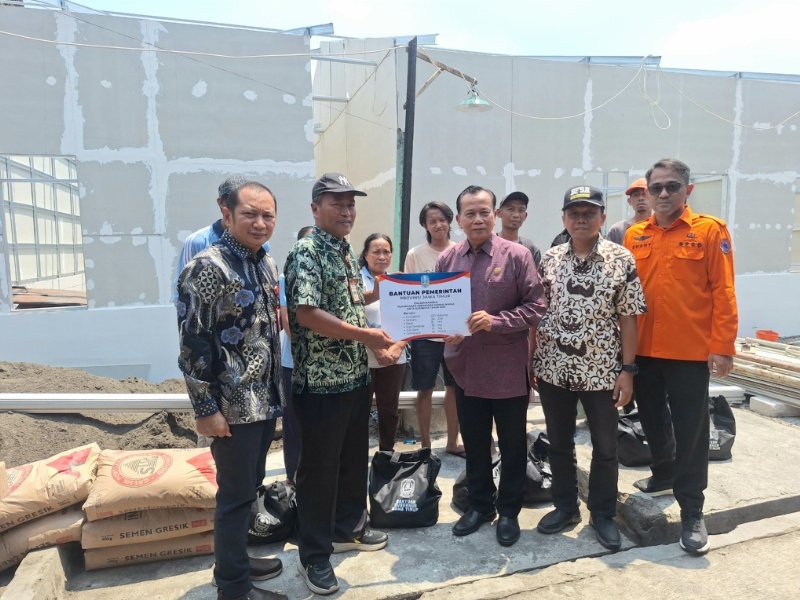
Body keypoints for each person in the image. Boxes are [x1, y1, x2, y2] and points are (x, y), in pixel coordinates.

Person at [284, 173, 393, 596]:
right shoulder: (307, 251)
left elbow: (344, 302)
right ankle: (314, 554)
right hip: (321, 384)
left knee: (351, 461)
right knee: (318, 471)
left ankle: (348, 527)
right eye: (337, 203)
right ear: (315, 208)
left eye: (351, 204)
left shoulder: (345, 250)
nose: (347, 211)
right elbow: (307, 312)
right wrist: (368, 336)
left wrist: (381, 293)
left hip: (354, 378)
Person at [177, 181, 286, 600]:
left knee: (250, 488)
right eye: (250, 214)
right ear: (227, 214)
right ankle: (234, 588)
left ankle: (235, 561)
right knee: (235, 497)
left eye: (268, 215)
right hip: (231, 407)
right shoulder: (208, 267)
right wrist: (205, 408)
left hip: (264, 400)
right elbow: (192, 344)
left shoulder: (265, 263)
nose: (260, 223)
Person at [624, 158, 738, 556]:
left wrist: (722, 346)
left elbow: (723, 290)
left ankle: (692, 509)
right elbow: (623, 297)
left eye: (672, 186)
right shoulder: (635, 235)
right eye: (656, 187)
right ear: (647, 192)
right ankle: (663, 474)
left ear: (687, 190)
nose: (663, 194)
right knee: (651, 417)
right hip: (643, 350)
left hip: (688, 351)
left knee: (691, 430)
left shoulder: (709, 231)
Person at [532, 185, 647, 552]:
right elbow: (538, 313)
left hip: (602, 372)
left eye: (589, 213)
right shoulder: (550, 258)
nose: (581, 219)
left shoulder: (621, 259)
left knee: (606, 447)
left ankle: (602, 513)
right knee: (559, 443)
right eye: (574, 213)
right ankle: (566, 507)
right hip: (553, 368)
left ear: (602, 217)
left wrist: (628, 370)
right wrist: (533, 359)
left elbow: (629, 318)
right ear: (564, 218)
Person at [437, 185, 546, 547]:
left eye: (484, 212)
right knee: (476, 443)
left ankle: (509, 511)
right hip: (465, 368)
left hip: (507, 369)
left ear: (495, 215)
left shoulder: (517, 255)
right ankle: (480, 505)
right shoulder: (448, 260)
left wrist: (496, 321)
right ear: (459, 219)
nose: (478, 219)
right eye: (470, 213)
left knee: (513, 445)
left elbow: (537, 307)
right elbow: (437, 309)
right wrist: (442, 330)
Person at [403, 201, 464, 456]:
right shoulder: (415, 254)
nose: (438, 225)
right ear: (424, 225)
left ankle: (452, 442)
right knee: (424, 389)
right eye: (432, 221)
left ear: (450, 221)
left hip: (455, 335)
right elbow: (407, 291)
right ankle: (425, 444)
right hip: (424, 335)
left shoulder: (462, 251)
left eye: (442, 219)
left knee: (454, 389)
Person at [172, 175, 269, 302]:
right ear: (221, 203)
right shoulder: (198, 241)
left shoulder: (261, 243)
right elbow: (184, 292)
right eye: (235, 200)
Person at [359, 233, 409, 451]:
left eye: (386, 252)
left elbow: (411, 317)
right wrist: (377, 348)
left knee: (389, 409)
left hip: (395, 356)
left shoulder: (399, 281)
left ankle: (387, 455)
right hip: (364, 356)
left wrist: (397, 347)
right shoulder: (354, 281)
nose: (382, 256)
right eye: (376, 252)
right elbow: (352, 317)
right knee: (359, 410)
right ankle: (356, 457)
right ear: (365, 255)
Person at [278, 225, 314, 486]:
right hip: (294, 360)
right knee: (293, 421)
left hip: (323, 365)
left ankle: (314, 475)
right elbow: (288, 319)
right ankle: (293, 475)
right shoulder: (287, 275)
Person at [495, 191, 542, 269]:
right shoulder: (489, 245)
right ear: (498, 213)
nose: (516, 215)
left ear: (525, 216)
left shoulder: (531, 249)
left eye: (521, 210)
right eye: (511, 209)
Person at [605, 178, 651, 245]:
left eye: (644, 194)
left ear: (653, 198)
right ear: (629, 201)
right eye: (636, 195)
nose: (640, 198)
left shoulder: (661, 227)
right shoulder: (618, 230)